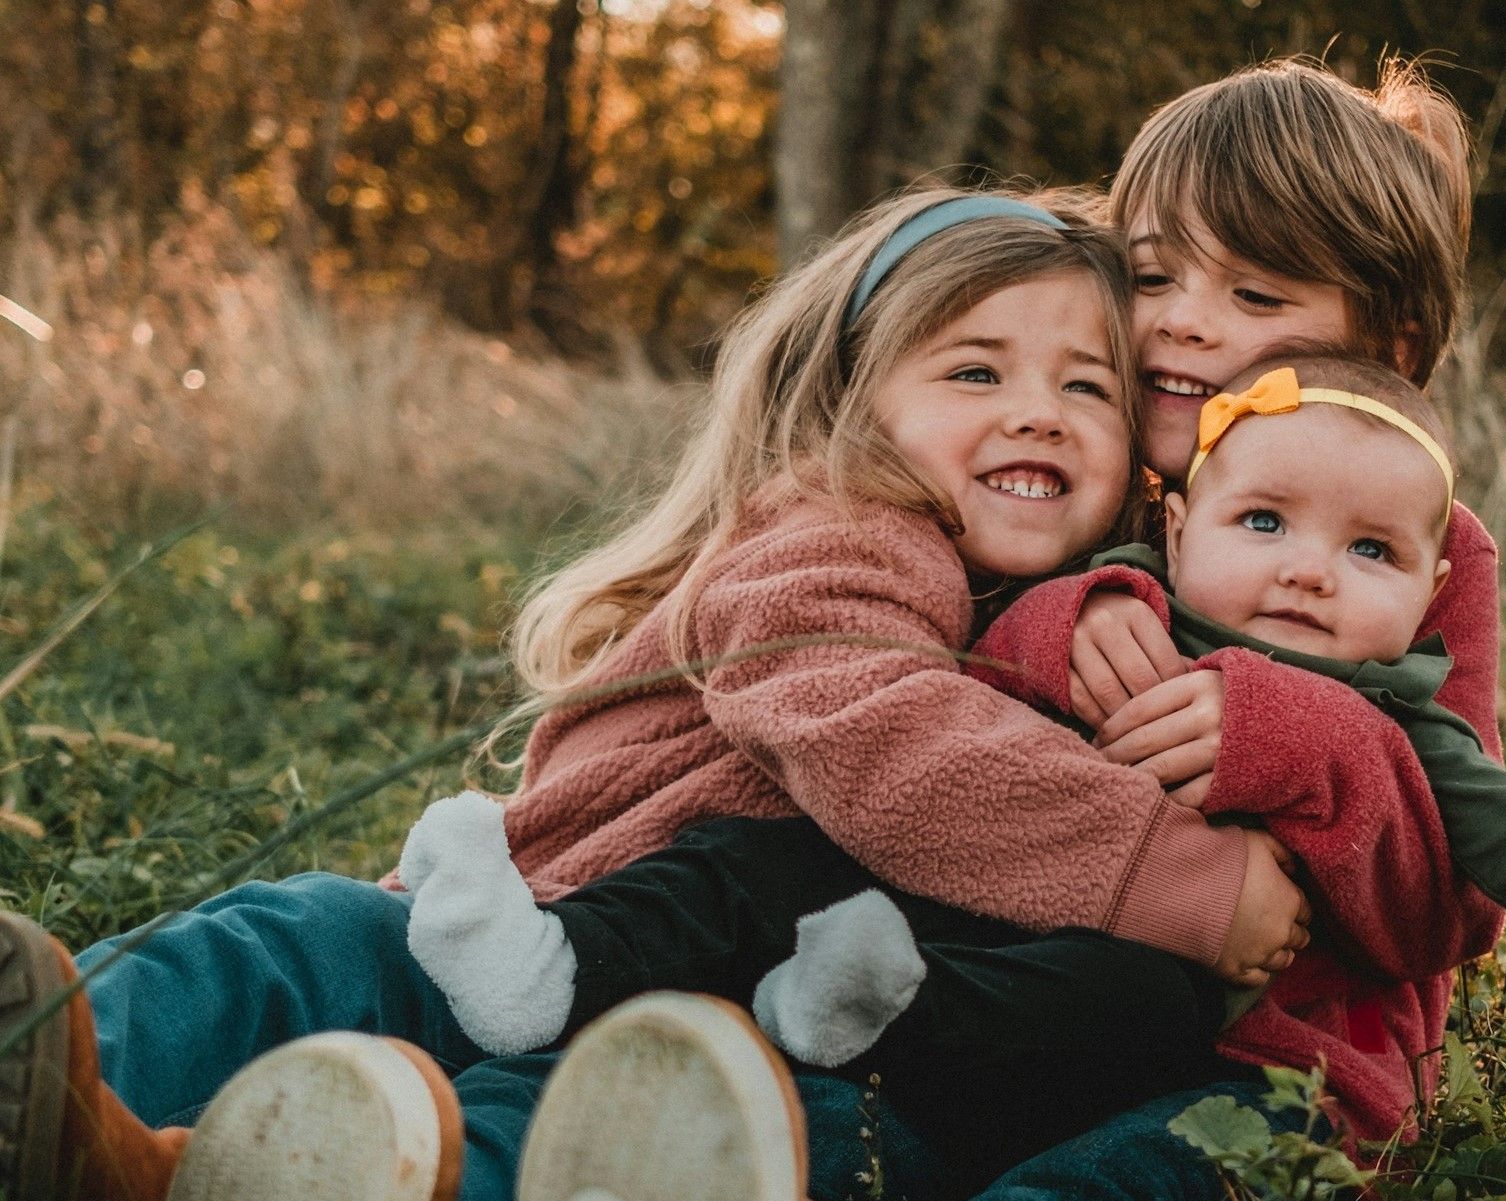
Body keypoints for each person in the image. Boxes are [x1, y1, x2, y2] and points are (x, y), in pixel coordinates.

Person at [0, 187, 1311, 1201]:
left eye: (1089, 385)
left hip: (641, 998)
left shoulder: (1060, 601)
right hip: (544, 935)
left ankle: (161, 1166)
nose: (1040, 411)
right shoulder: (845, 536)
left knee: (585, 1117)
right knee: (284, 949)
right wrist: (1190, 882)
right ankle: (57, 1073)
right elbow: (889, 748)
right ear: (842, 414)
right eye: (975, 371)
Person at [400, 354, 1506, 1196]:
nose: (1306, 564)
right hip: (951, 880)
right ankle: (553, 958)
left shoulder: (1395, 720)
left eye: (1369, 554)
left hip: (1075, 992)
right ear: (1181, 532)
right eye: (1264, 522)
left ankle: (867, 1018)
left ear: (1432, 587)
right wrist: (1085, 612)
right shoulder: (1116, 584)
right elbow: (975, 655)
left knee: (1108, 1001)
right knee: (768, 855)